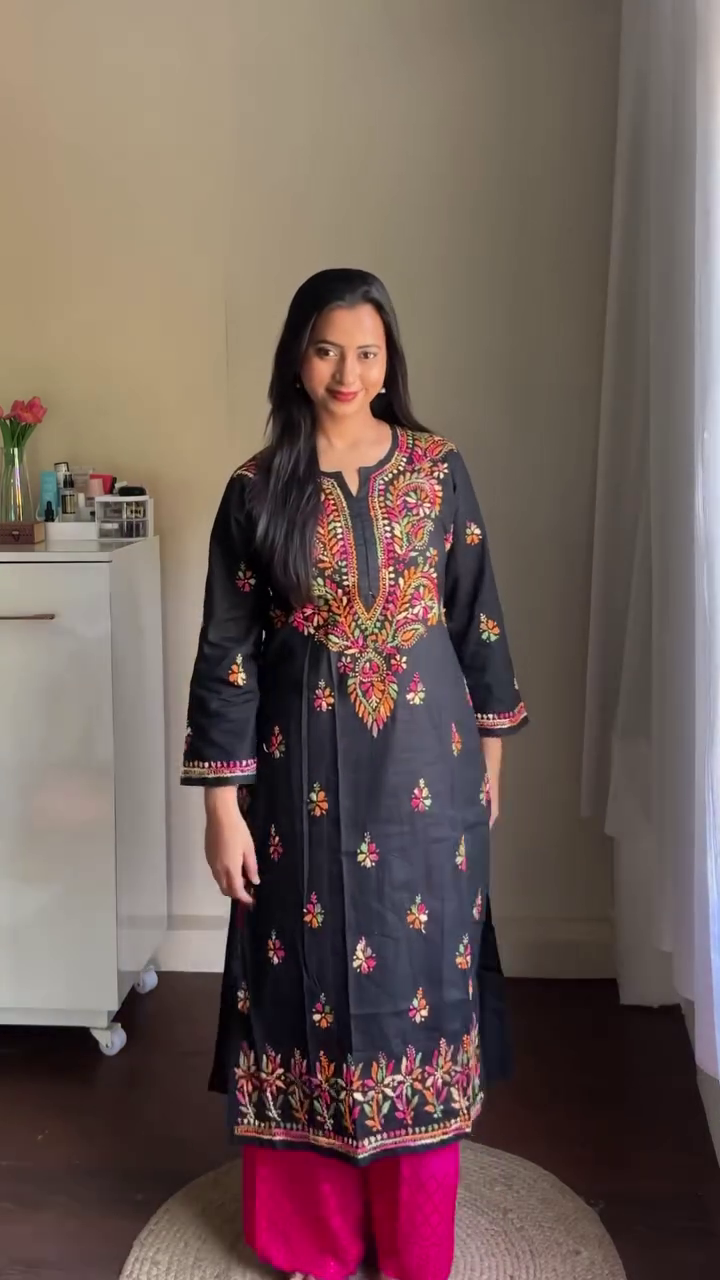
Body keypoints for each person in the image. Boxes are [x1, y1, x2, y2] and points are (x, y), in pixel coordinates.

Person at [181, 268, 528, 1280]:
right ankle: (315, 1240)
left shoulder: (438, 468)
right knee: (303, 980)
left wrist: (492, 758)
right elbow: (228, 652)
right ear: (298, 355)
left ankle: (413, 1239)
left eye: (367, 352)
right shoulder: (257, 488)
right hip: (298, 790)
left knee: (423, 982)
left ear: (389, 361)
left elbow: (477, 617)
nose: (347, 371)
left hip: (433, 781)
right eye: (328, 349)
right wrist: (221, 807)